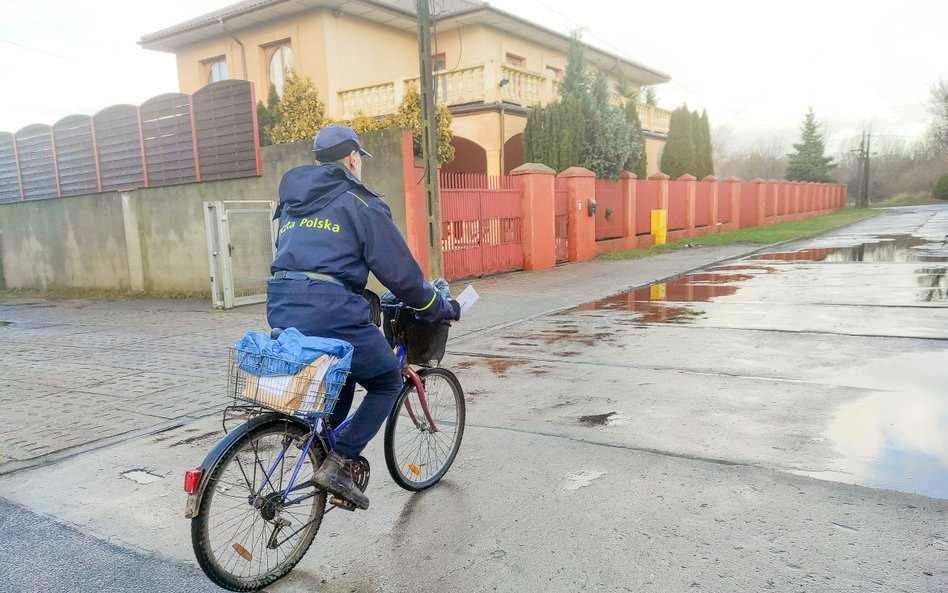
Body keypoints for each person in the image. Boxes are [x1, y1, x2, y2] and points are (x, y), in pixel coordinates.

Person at [267, 125, 459, 510]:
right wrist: (439, 306)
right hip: (330, 309)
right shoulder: (360, 201)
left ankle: (322, 447)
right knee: (387, 379)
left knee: (345, 372)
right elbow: (402, 276)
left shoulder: (292, 201)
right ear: (353, 158)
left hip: (281, 302)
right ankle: (339, 463)